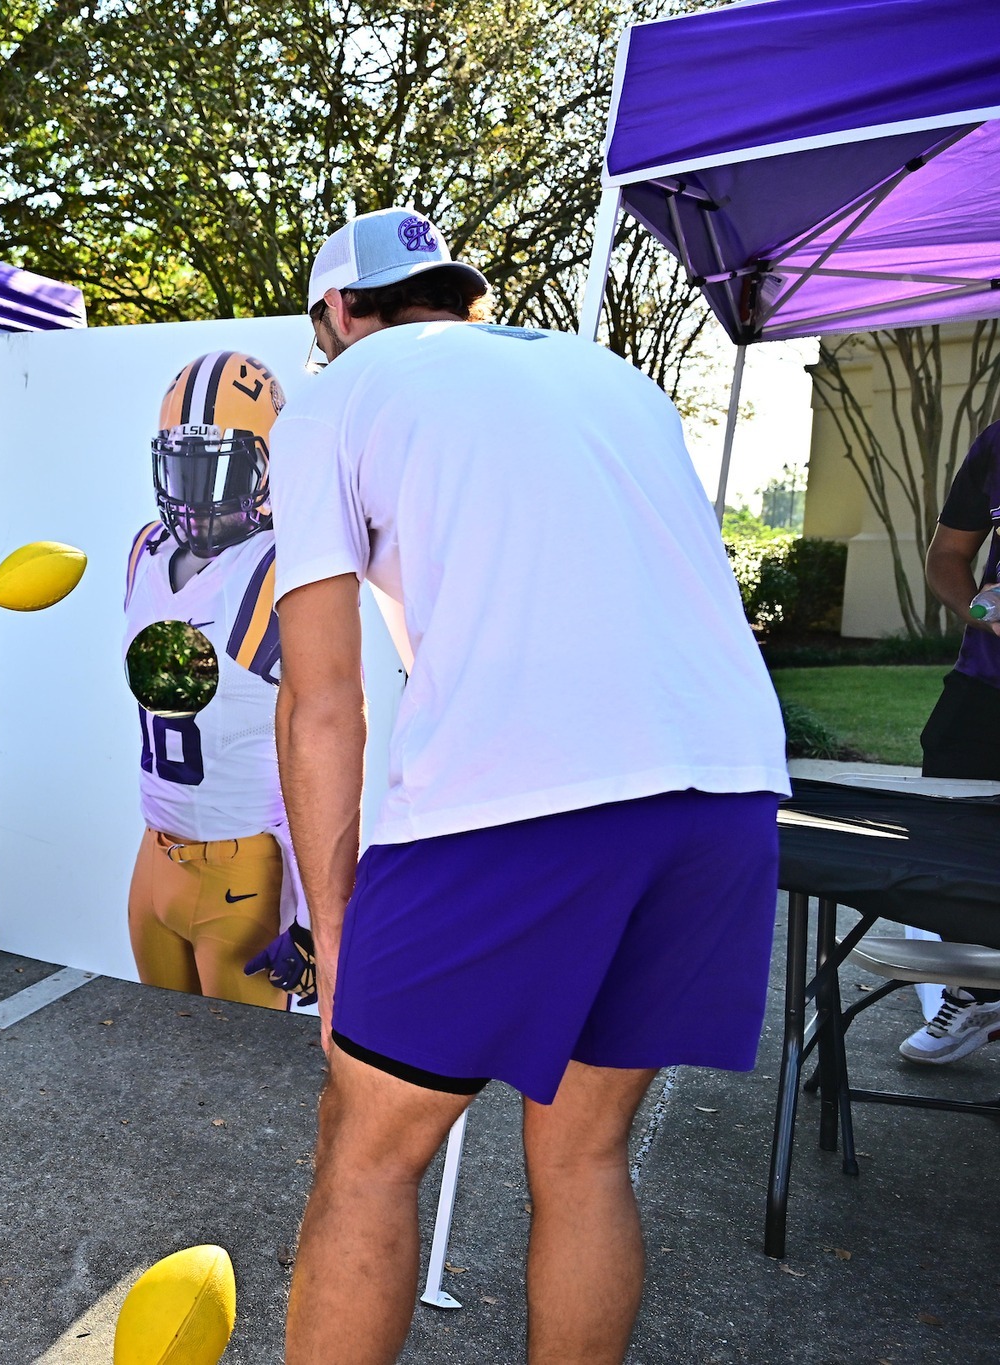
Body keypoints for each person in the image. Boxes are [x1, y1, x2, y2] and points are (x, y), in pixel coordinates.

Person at [268, 208, 788, 1364]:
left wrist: (334, 930)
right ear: (458, 298)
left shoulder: (338, 394)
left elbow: (319, 702)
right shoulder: (609, 377)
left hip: (515, 798)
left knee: (366, 1147)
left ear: (339, 315)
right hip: (726, 785)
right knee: (584, 1154)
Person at [123, 350, 298, 1008]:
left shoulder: (275, 565)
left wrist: (311, 911)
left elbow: (322, 741)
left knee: (238, 1090)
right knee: (162, 1066)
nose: (198, 492)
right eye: (185, 466)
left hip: (241, 870)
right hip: (154, 856)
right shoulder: (145, 551)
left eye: (222, 469)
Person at [897, 420, 1000, 1062]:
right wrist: (985, 610)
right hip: (983, 687)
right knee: (948, 846)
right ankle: (975, 991)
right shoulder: (996, 443)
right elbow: (947, 559)